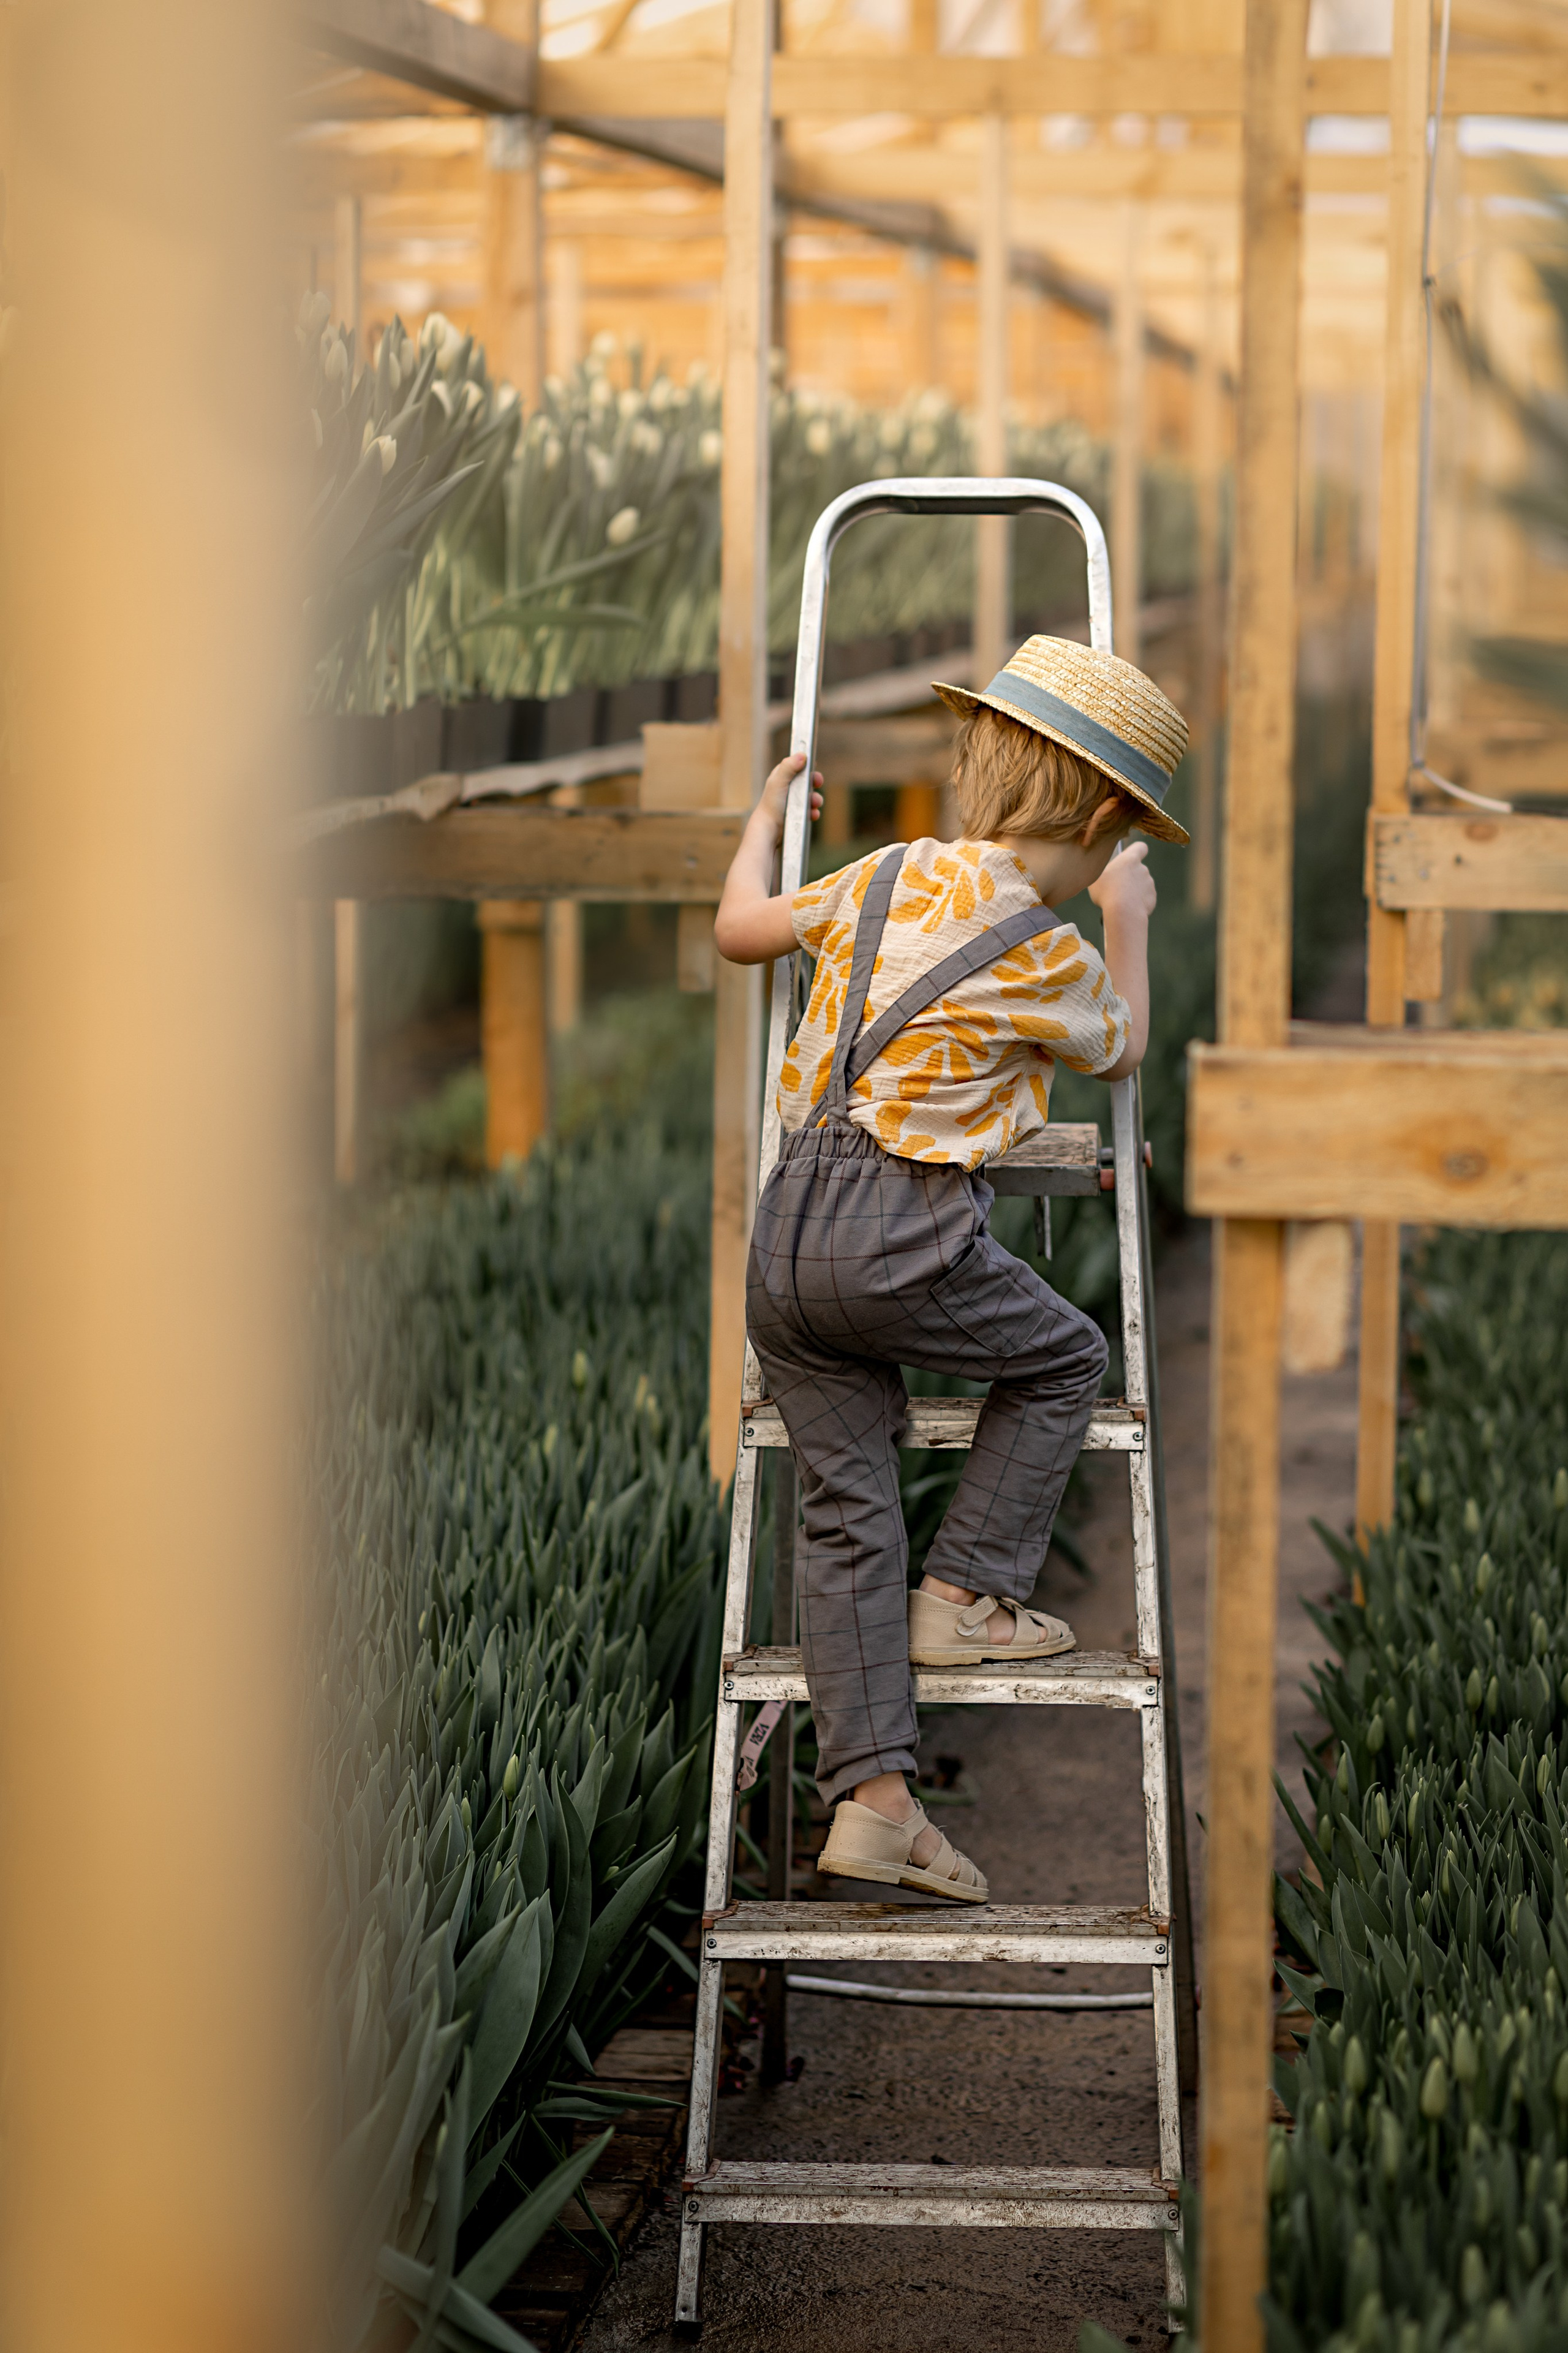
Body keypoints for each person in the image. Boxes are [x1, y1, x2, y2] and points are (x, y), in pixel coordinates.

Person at [714, 634, 1189, 1904]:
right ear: (1098, 818)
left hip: (784, 1244)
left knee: (844, 1509)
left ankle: (873, 1803)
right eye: (1115, 843)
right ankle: (969, 1594)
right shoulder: (1043, 947)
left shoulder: (877, 877)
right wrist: (1125, 922)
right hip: (899, 1231)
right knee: (1065, 1355)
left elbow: (737, 928)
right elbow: (1122, 1046)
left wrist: (764, 819)